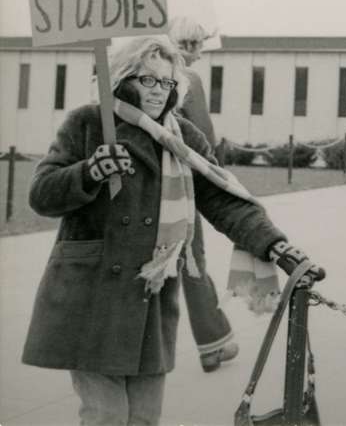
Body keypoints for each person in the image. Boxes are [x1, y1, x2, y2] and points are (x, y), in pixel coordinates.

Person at [21, 35, 322, 426]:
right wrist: (90, 171)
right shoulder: (89, 122)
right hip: (91, 297)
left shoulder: (183, 138)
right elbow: (41, 194)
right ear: (125, 78)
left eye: (167, 83)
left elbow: (223, 199)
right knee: (107, 416)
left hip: (149, 299)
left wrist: (275, 245)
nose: (159, 91)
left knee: (145, 417)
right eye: (149, 80)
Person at [167, 16, 238, 373]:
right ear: (186, 44)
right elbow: (203, 135)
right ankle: (212, 343)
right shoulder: (189, 80)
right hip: (181, 182)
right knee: (192, 261)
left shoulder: (147, 73)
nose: (198, 53)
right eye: (195, 45)